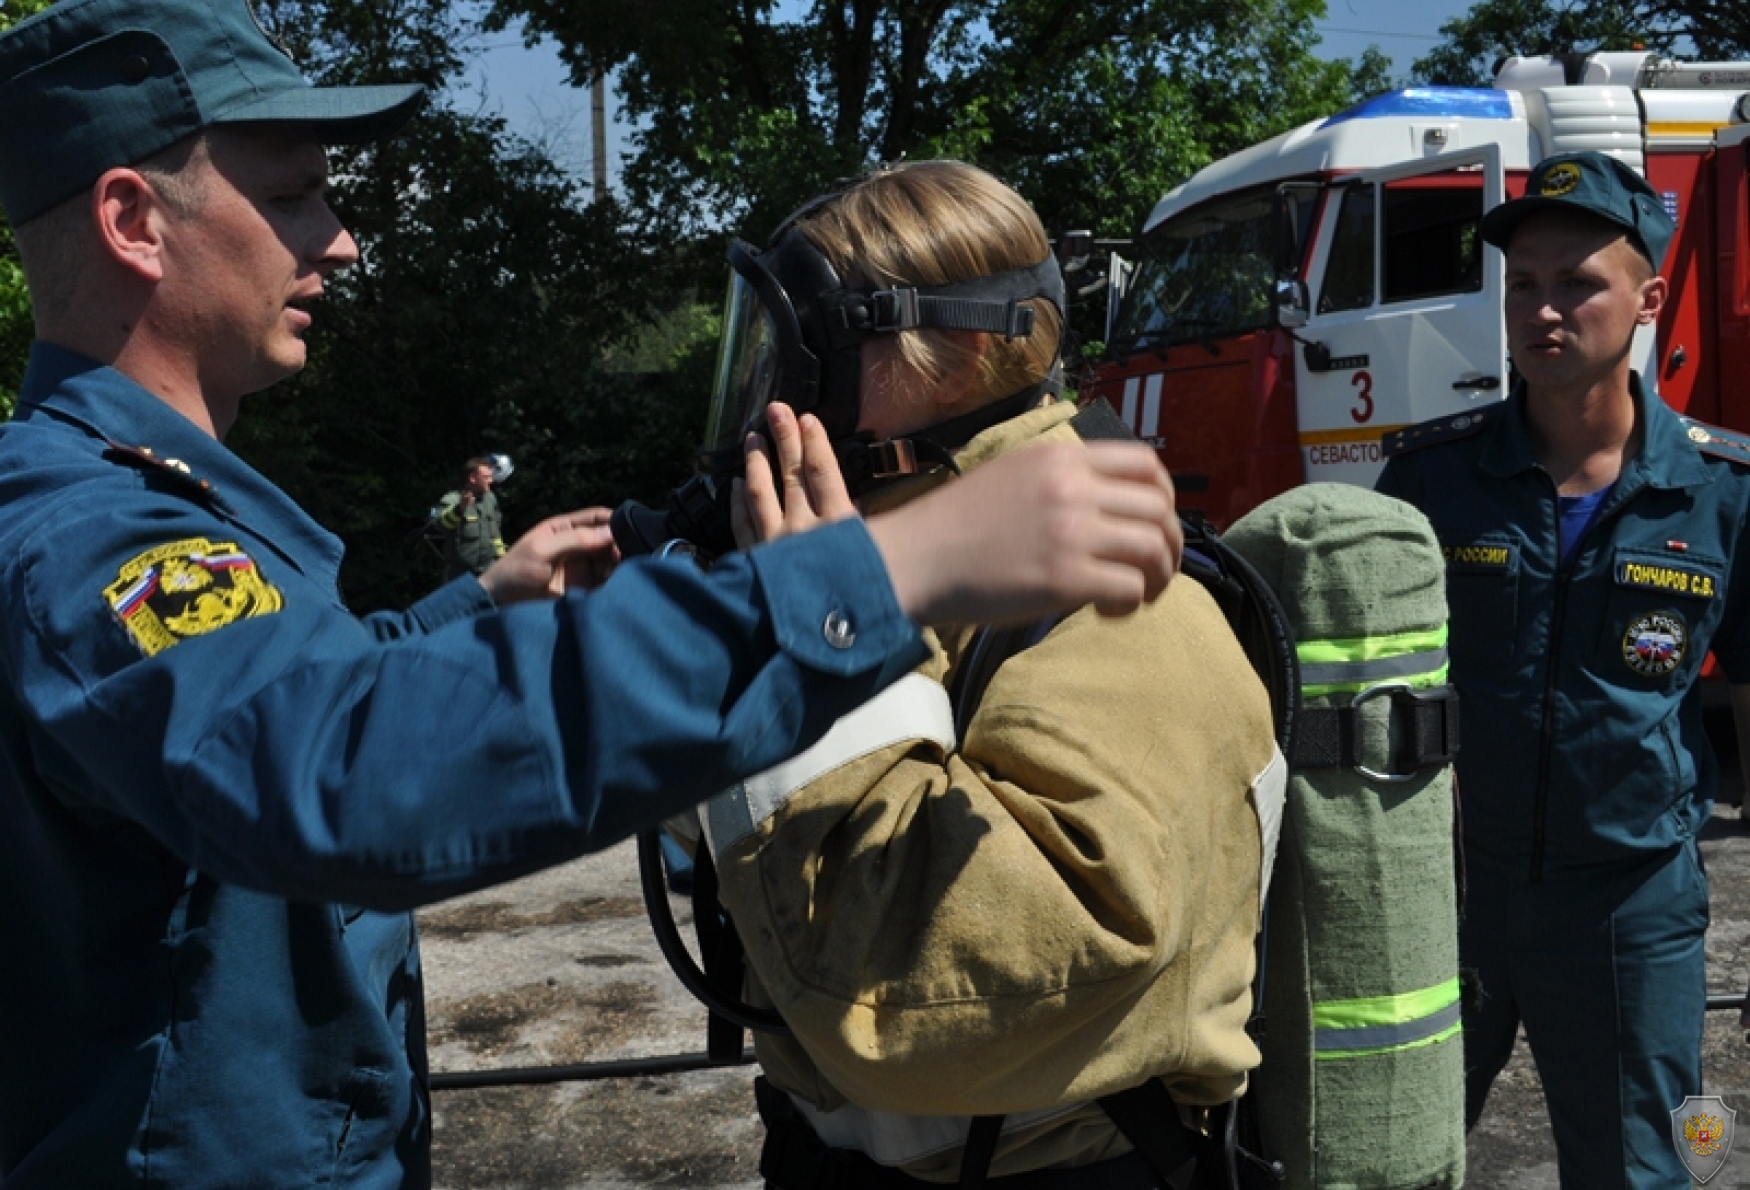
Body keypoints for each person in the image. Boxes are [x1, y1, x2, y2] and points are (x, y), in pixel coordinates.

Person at [0, 3, 1190, 1187]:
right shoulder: (92, 535)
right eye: (298, 192)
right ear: (133, 222)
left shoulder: (158, 511)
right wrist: (879, 575)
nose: (343, 239)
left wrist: (479, 611)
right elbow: (317, 764)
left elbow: (274, 694)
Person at [672, 160, 1285, 1188]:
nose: (771, 400)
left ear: (948, 357)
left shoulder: (1111, 598)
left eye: (807, 355)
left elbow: (933, 990)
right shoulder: (911, 562)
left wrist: (831, 635)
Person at [1376, 151, 1750, 1189]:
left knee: (1641, 1168)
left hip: (1629, 902)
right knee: (1380, 1153)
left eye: (1577, 281)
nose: (1544, 309)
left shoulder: (1720, 491)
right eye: (1523, 284)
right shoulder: (1428, 476)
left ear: (1648, 298)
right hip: (1446, 887)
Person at [434, 457, 507, 578]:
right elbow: (440, 525)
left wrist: (502, 559)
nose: (491, 480)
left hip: (488, 571)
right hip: (460, 574)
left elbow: (495, 533)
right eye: (486, 477)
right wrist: (460, 509)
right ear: (472, 478)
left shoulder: (490, 499)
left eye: (491, 476)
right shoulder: (452, 499)